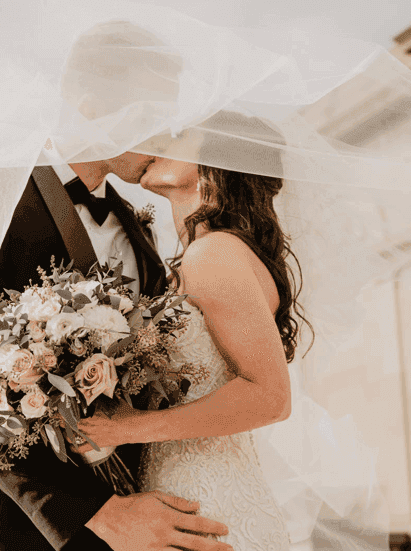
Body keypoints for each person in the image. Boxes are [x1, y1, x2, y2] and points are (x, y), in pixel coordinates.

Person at [0, 20, 235, 551]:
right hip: (41, 531)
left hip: (152, 511)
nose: (164, 135)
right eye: (151, 114)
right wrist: (93, 516)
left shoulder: (139, 227)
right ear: (88, 102)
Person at [74, 117, 301, 550]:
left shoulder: (213, 255)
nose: (155, 138)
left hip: (206, 501)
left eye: (178, 135)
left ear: (216, 162)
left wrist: (127, 428)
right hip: (181, 496)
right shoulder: (203, 255)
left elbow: (271, 397)